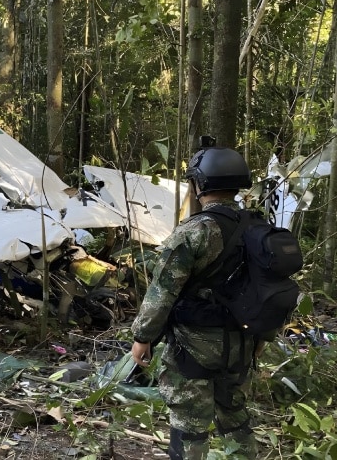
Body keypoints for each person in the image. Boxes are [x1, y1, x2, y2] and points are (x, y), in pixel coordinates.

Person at [130, 145, 261, 459]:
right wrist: (262, 338)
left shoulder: (195, 230)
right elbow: (271, 288)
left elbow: (162, 292)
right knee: (235, 415)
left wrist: (142, 337)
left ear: (200, 184)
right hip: (243, 343)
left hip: (193, 346)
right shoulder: (258, 228)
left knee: (190, 422)